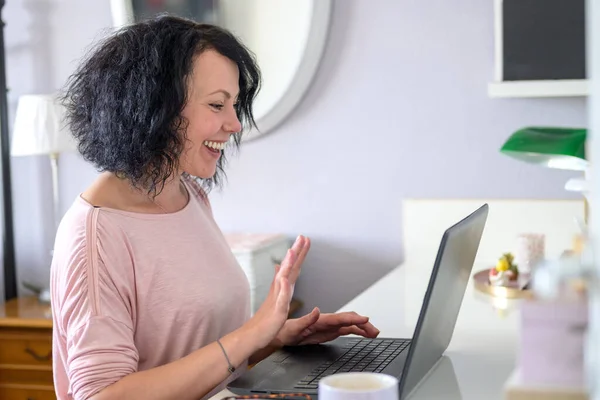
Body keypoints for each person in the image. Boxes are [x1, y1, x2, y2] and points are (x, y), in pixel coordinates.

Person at [50, 14, 380, 400]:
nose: (235, 124)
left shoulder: (189, 196)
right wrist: (249, 335)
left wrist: (278, 336)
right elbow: (103, 395)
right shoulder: (94, 235)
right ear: (155, 107)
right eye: (217, 105)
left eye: (234, 105)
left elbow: (202, 350)